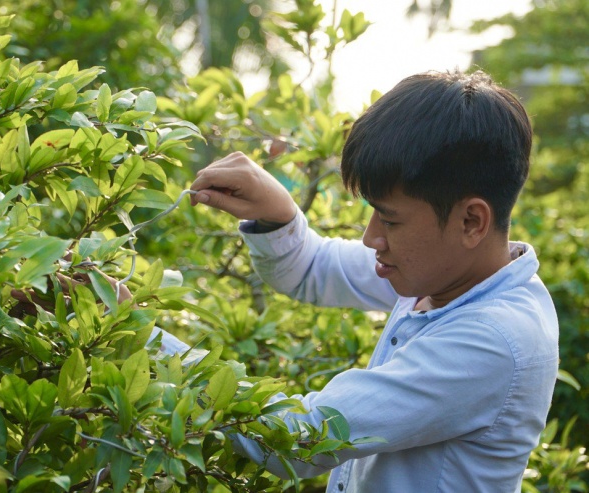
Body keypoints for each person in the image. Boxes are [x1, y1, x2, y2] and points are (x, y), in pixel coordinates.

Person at [188, 70, 559, 492]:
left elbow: (297, 438)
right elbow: (311, 269)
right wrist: (279, 215)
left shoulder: (493, 340)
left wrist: (146, 342)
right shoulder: (445, 272)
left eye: (390, 218)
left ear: (471, 221)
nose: (371, 237)